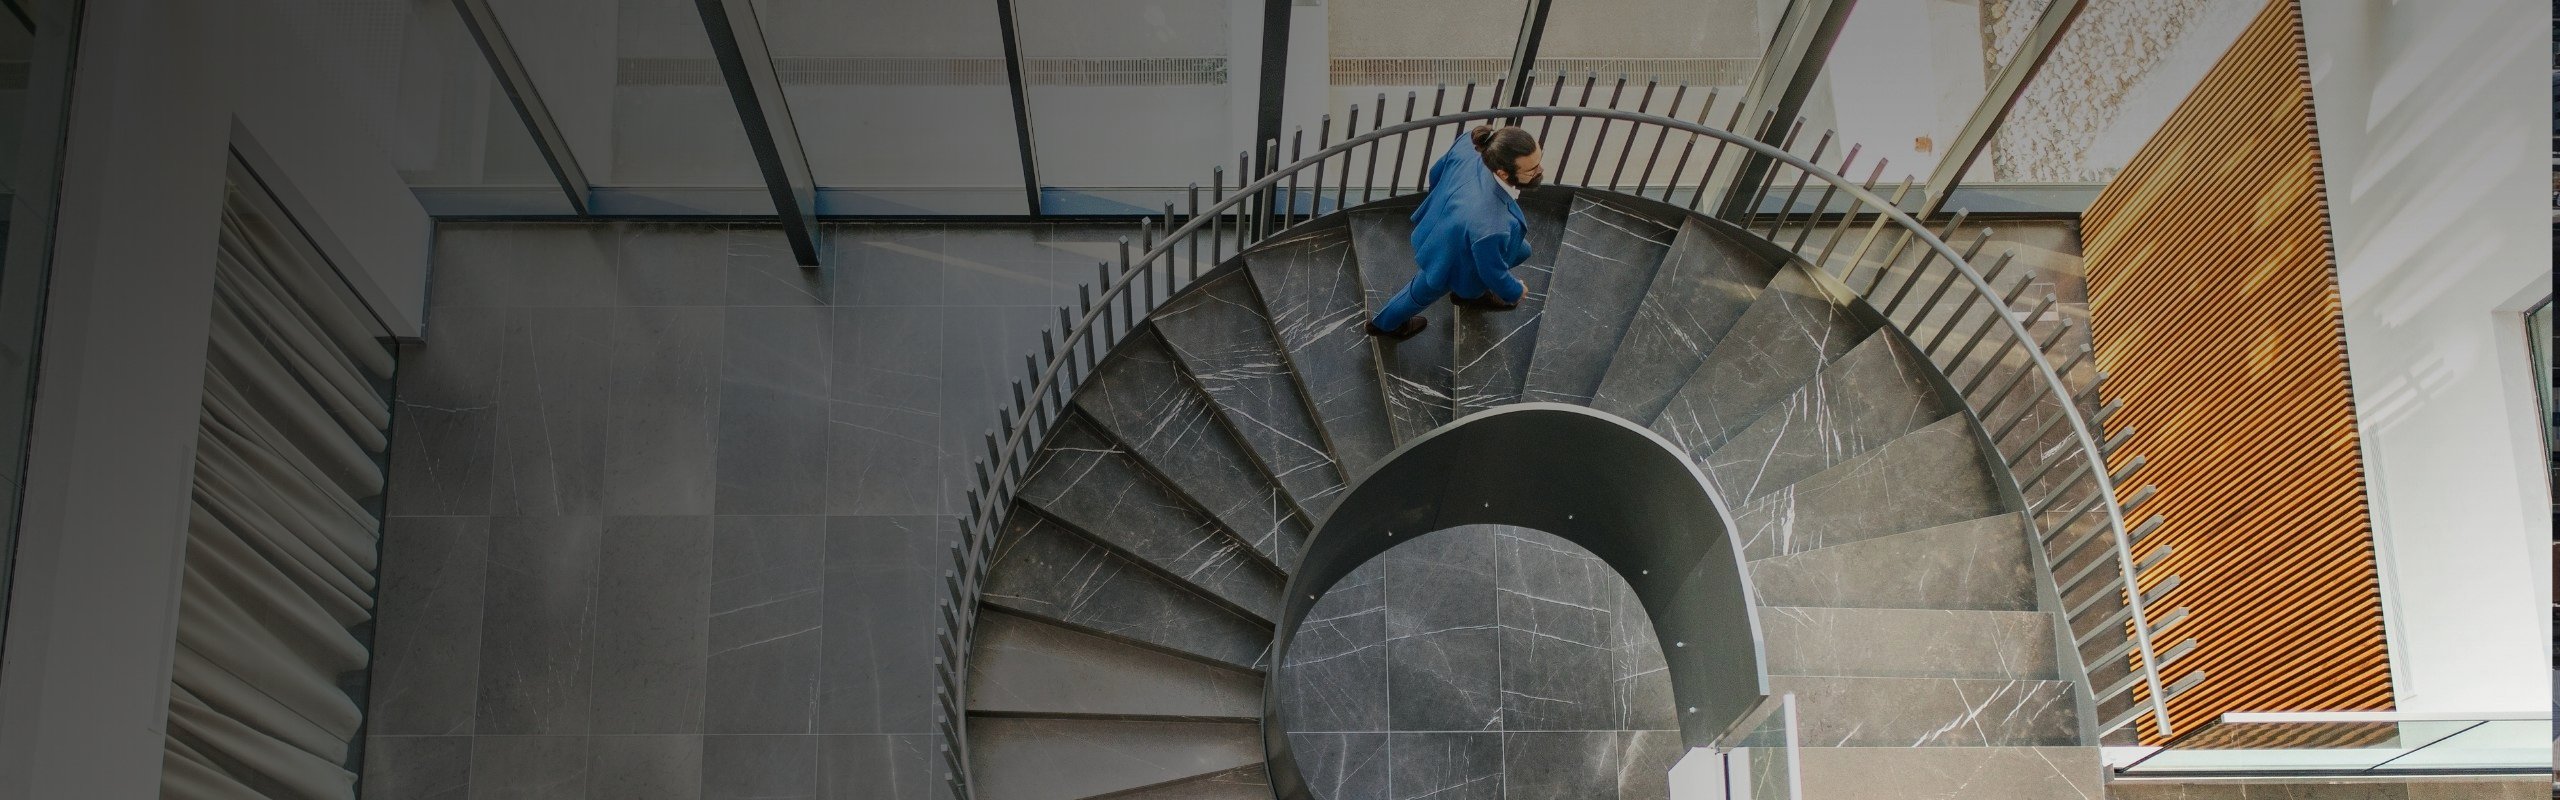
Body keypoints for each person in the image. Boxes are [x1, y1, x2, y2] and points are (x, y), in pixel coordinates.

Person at [1364, 123, 1545, 339]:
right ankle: (1384, 325)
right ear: (1503, 173)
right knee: (1421, 291)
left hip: (1448, 224)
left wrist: (1447, 207)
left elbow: (1436, 172)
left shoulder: (1471, 143)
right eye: (1532, 170)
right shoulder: (1494, 225)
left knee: (1522, 251)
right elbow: (1492, 271)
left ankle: (1467, 293)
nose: (1540, 170)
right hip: (1451, 256)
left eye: (1539, 161)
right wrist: (1515, 290)